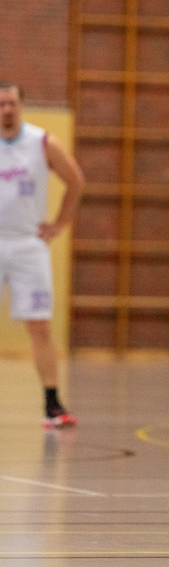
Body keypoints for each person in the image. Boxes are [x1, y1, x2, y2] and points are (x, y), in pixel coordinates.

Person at [0, 82, 85, 427]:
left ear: (22, 106)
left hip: (27, 244)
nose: (6, 109)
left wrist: (60, 223)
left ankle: (52, 404)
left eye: (11, 103)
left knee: (39, 325)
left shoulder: (43, 142)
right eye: (1, 104)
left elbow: (76, 181)